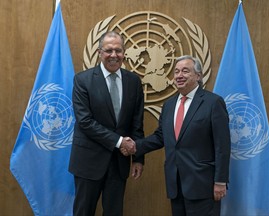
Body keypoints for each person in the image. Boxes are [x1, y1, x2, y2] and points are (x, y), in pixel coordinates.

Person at [121, 55, 231, 216]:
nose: (179, 75)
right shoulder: (169, 105)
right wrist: (135, 147)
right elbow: (160, 137)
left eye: (185, 71)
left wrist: (220, 181)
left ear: (198, 76)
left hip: (203, 185)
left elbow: (223, 145)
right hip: (175, 184)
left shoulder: (213, 103)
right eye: (176, 72)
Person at [69, 31, 144, 216]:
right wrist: (120, 142)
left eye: (118, 50)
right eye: (108, 50)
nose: (113, 55)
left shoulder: (134, 81)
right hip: (88, 162)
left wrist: (138, 158)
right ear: (99, 52)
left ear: (124, 52)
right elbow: (85, 122)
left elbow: (137, 122)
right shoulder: (82, 80)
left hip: (119, 164)